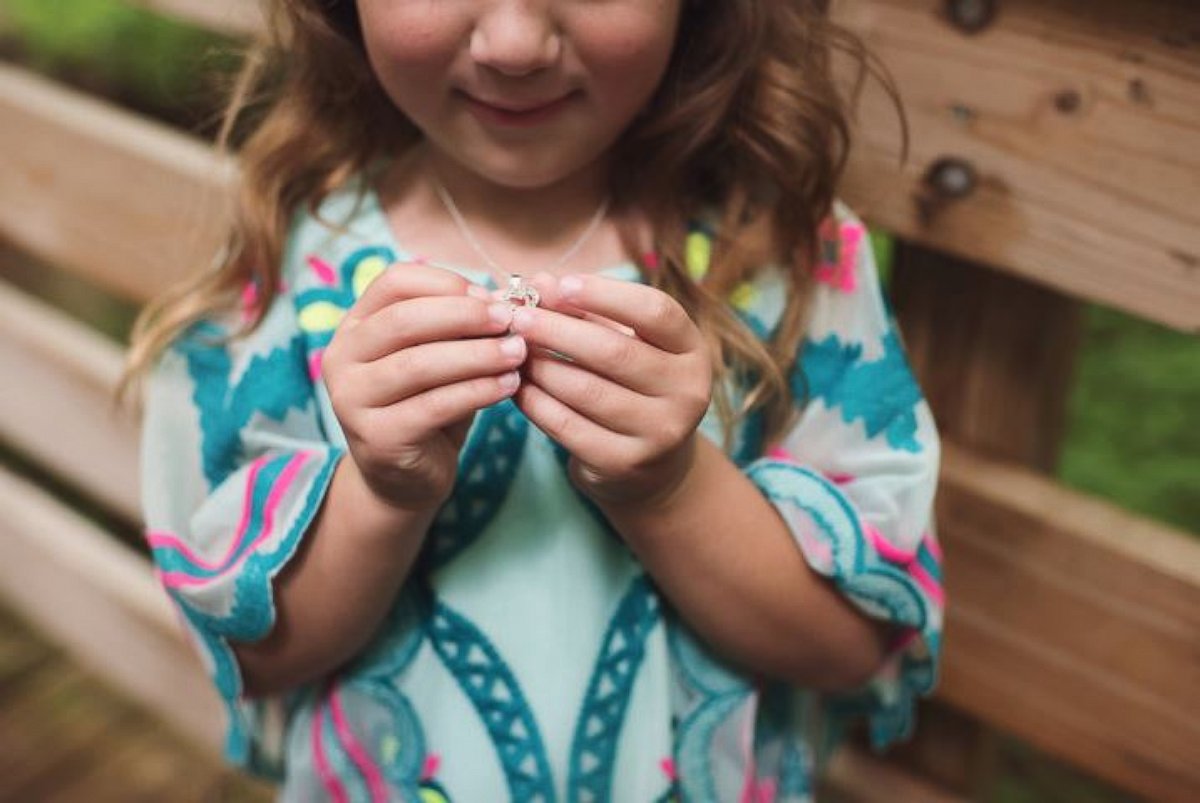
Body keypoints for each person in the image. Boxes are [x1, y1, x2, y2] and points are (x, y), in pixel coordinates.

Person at [126, 0, 943, 799]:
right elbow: (256, 654)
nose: (515, 44)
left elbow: (850, 647)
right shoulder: (294, 261)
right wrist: (380, 492)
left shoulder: (780, 255)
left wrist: (670, 487)